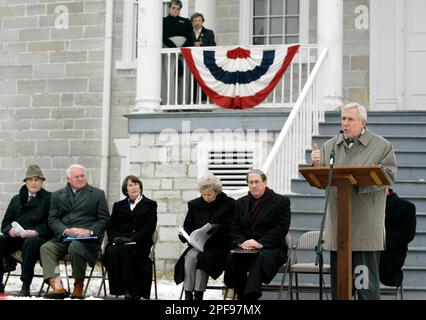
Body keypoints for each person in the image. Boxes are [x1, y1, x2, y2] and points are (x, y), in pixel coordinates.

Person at [311, 102, 397, 300]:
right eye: (343, 119)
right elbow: (321, 181)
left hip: (363, 231)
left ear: (363, 122)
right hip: (338, 230)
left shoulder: (382, 146)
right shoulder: (330, 146)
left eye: (350, 119)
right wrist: (317, 165)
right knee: (340, 291)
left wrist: (356, 181)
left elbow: (389, 175)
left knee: (365, 290)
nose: (346, 123)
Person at [40, 164, 109, 299]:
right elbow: (52, 219)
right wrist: (66, 230)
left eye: (82, 176)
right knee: (46, 248)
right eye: (76, 176)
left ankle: (79, 283)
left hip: (86, 241)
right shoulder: (56, 195)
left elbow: (104, 219)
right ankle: (57, 286)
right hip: (64, 237)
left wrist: (90, 232)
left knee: (75, 246)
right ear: (68, 179)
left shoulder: (97, 194)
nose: (80, 179)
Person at [224, 169, 291, 300]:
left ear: (265, 183)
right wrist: (242, 243)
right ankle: (240, 293)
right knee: (233, 257)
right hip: (245, 248)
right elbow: (234, 227)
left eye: (257, 182)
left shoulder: (281, 202)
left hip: (271, 249)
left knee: (259, 258)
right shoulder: (240, 203)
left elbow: (281, 229)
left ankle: (250, 297)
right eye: (250, 182)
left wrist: (260, 243)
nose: (254, 185)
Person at [174, 174, 235, 300]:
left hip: (219, 246)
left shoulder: (229, 204)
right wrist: (184, 235)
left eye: (209, 194)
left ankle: (198, 294)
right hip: (198, 244)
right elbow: (188, 226)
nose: (206, 197)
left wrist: (218, 227)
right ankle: (188, 294)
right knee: (190, 257)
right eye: (203, 194)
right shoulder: (194, 205)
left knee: (204, 258)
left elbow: (232, 227)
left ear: (216, 192)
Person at [103, 175, 157, 300]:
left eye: (136, 184)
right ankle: (120, 289)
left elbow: (149, 227)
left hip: (140, 241)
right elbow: (111, 226)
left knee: (128, 251)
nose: (134, 187)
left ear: (140, 187)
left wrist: (132, 239)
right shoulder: (118, 205)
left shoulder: (150, 204)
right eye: (130, 185)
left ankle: (132, 291)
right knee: (112, 251)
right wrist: (115, 238)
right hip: (120, 240)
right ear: (125, 189)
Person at [0, 165, 51, 297]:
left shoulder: (50, 198)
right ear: (26, 182)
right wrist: (11, 231)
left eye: (37, 179)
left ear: (42, 182)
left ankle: (25, 285)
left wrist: (36, 231)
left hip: (38, 238)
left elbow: (51, 222)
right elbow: (5, 223)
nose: (34, 182)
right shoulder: (16, 199)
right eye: (30, 179)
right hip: (17, 237)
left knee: (30, 243)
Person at [379, 189, 416, 288]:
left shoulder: (407, 207)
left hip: (389, 258)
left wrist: (381, 241)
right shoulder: (366, 206)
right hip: (366, 257)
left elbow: (408, 233)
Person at [161, 0, 192, 105]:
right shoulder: (163, 21)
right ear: (169, 8)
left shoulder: (186, 21)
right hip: (170, 51)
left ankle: (183, 102)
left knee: (184, 77)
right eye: (173, 8)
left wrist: (182, 49)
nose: (175, 10)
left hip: (184, 53)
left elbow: (190, 36)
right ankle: (170, 103)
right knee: (169, 76)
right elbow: (163, 37)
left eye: (178, 8)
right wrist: (175, 49)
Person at [189, 12, 216, 103]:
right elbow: (185, 45)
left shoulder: (209, 32)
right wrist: (193, 44)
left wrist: (202, 45)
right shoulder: (189, 34)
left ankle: (204, 101)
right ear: (192, 22)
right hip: (192, 61)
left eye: (199, 20)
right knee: (192, 82)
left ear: (202, 22)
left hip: (204, 61)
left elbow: (213, 45)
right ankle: (192, 101)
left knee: (204, 80)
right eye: (195, 21)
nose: (197, 23)